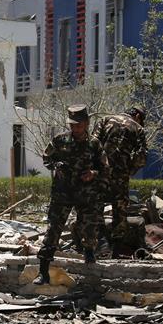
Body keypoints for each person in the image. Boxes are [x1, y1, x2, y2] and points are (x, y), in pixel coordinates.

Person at [34, 105, 109, 285]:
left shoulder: (94, 144)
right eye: (72, 125)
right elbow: (46, 157)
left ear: (86, 123)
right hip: (63, 192)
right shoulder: (60, 140)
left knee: (89, 225)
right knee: (53, 229)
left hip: (86, 193)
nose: (75, 129)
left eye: (79, 125)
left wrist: (93, 173)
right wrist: (56, 166)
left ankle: (89, 253)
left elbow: (104, 167)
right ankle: (43, 271)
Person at [93, 106, 147, 250]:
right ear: (137, 115)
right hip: (120, 175)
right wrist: (130, 169)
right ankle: (116, 247)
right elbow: (141, 157)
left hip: (100, 172)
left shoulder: (105, 120)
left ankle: (101, 241)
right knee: (120, 209)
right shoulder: (138, 129)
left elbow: (92, 143)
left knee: (96, 204)